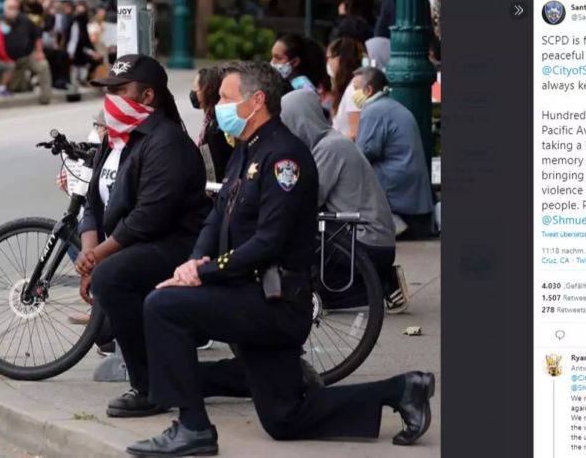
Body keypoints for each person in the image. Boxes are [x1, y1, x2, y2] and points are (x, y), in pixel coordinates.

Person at [130, 61, 434, 457]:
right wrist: (193, 261)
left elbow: (268, 243)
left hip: (274, 302)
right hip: (250, 294)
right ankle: (404, 389)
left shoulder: (285, 158)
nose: (217, 105)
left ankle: (193, 428)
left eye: (225, 98)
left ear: (256, 101)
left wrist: (205, 272)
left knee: (162, 307)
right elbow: (219, 214)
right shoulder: (247, 150)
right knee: (285, 418)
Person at [73, 54, 211, 418]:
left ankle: (150, 387)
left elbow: (148, 218)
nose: (111, 98)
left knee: (112, 278)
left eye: (120, 90)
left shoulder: (167, 142)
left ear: (148, 96)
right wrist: (89, 253)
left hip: (175, 243)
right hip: (135, 242)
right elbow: (92, 202)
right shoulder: (116, 139)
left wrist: (97, 259)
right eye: (108, 91)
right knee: (106, 275)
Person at [281, 89, 407, 308]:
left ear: (299, 121)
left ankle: (381, 287)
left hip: (366, 241)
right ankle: (382, 281)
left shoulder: (329, 148)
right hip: (373, 239)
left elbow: (308, 199)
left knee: (308, 282)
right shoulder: (331, 142)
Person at [355, 67, 435, 239]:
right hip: (409, 185)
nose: (352, 95)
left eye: (355, 89)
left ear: (368, 90)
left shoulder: (373, 111)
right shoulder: (391, 106)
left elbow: (364, 153)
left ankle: (388, 220)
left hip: (395, 185)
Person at [1, 0, 52, 104]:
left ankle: (45, 98)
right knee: (14, 87)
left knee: (43, 65)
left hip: (27, 56)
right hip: (7, 60)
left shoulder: (25, 20)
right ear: (5, 9)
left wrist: (39, 51)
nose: (13, 11)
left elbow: (38, 34)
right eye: (10, 8)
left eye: (15, 8)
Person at [189, 65, 232, 183]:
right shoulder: (210, 121)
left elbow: (212, 168)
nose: (193, 93)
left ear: (208, 91)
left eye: (196, 89)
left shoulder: (215, 129)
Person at [326, 37, 364, 140]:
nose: (328, 63)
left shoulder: (353, 90)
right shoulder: (346, 88)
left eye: (329, 58)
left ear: (339, 58)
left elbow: (355, 133)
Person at [66, 2, 93, 87]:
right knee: (75, 66)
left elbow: (85, 39)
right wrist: (71, 51)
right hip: (74, 49)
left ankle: (83, 80)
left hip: (81, 49)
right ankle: (77, 81)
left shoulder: (84, 23)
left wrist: (91, 50)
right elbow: (73, 38)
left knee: (82, 64)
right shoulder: (74, 22)